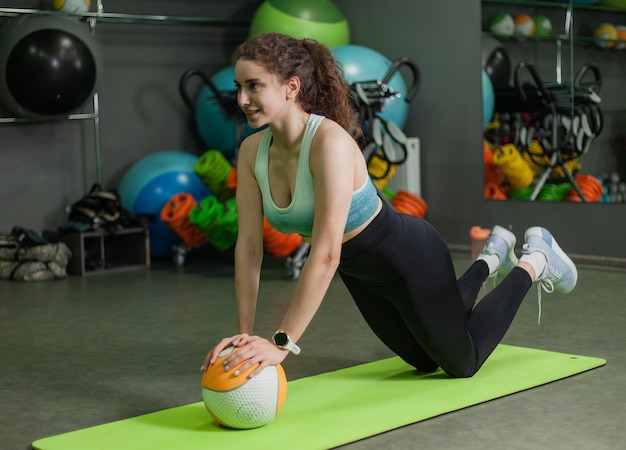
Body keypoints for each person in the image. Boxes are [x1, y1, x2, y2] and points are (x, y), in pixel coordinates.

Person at [201, 32, 578, 379]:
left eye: (254, 87)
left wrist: (281, 343)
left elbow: (327, 253)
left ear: (291, 87)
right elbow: (249, 249)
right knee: (425, 362)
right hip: (363, 276)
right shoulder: (252, 152)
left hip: (409, 258)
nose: (242, 100)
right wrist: (245, 336)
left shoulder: (328, 144)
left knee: (462, 363)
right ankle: (490, 258)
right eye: (239, 87)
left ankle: (536, 259)